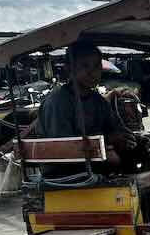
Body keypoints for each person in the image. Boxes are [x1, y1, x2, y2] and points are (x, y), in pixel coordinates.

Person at [32, 40, 137, 175]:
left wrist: (129, 139)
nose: (92, 72)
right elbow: (64, 148)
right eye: (85, 66)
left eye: (96, 66)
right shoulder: (57, 102)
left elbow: (115, 129)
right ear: (69, 68)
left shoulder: (98, 101)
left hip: (96, 163)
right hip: (65, 173)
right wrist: (108, 140)